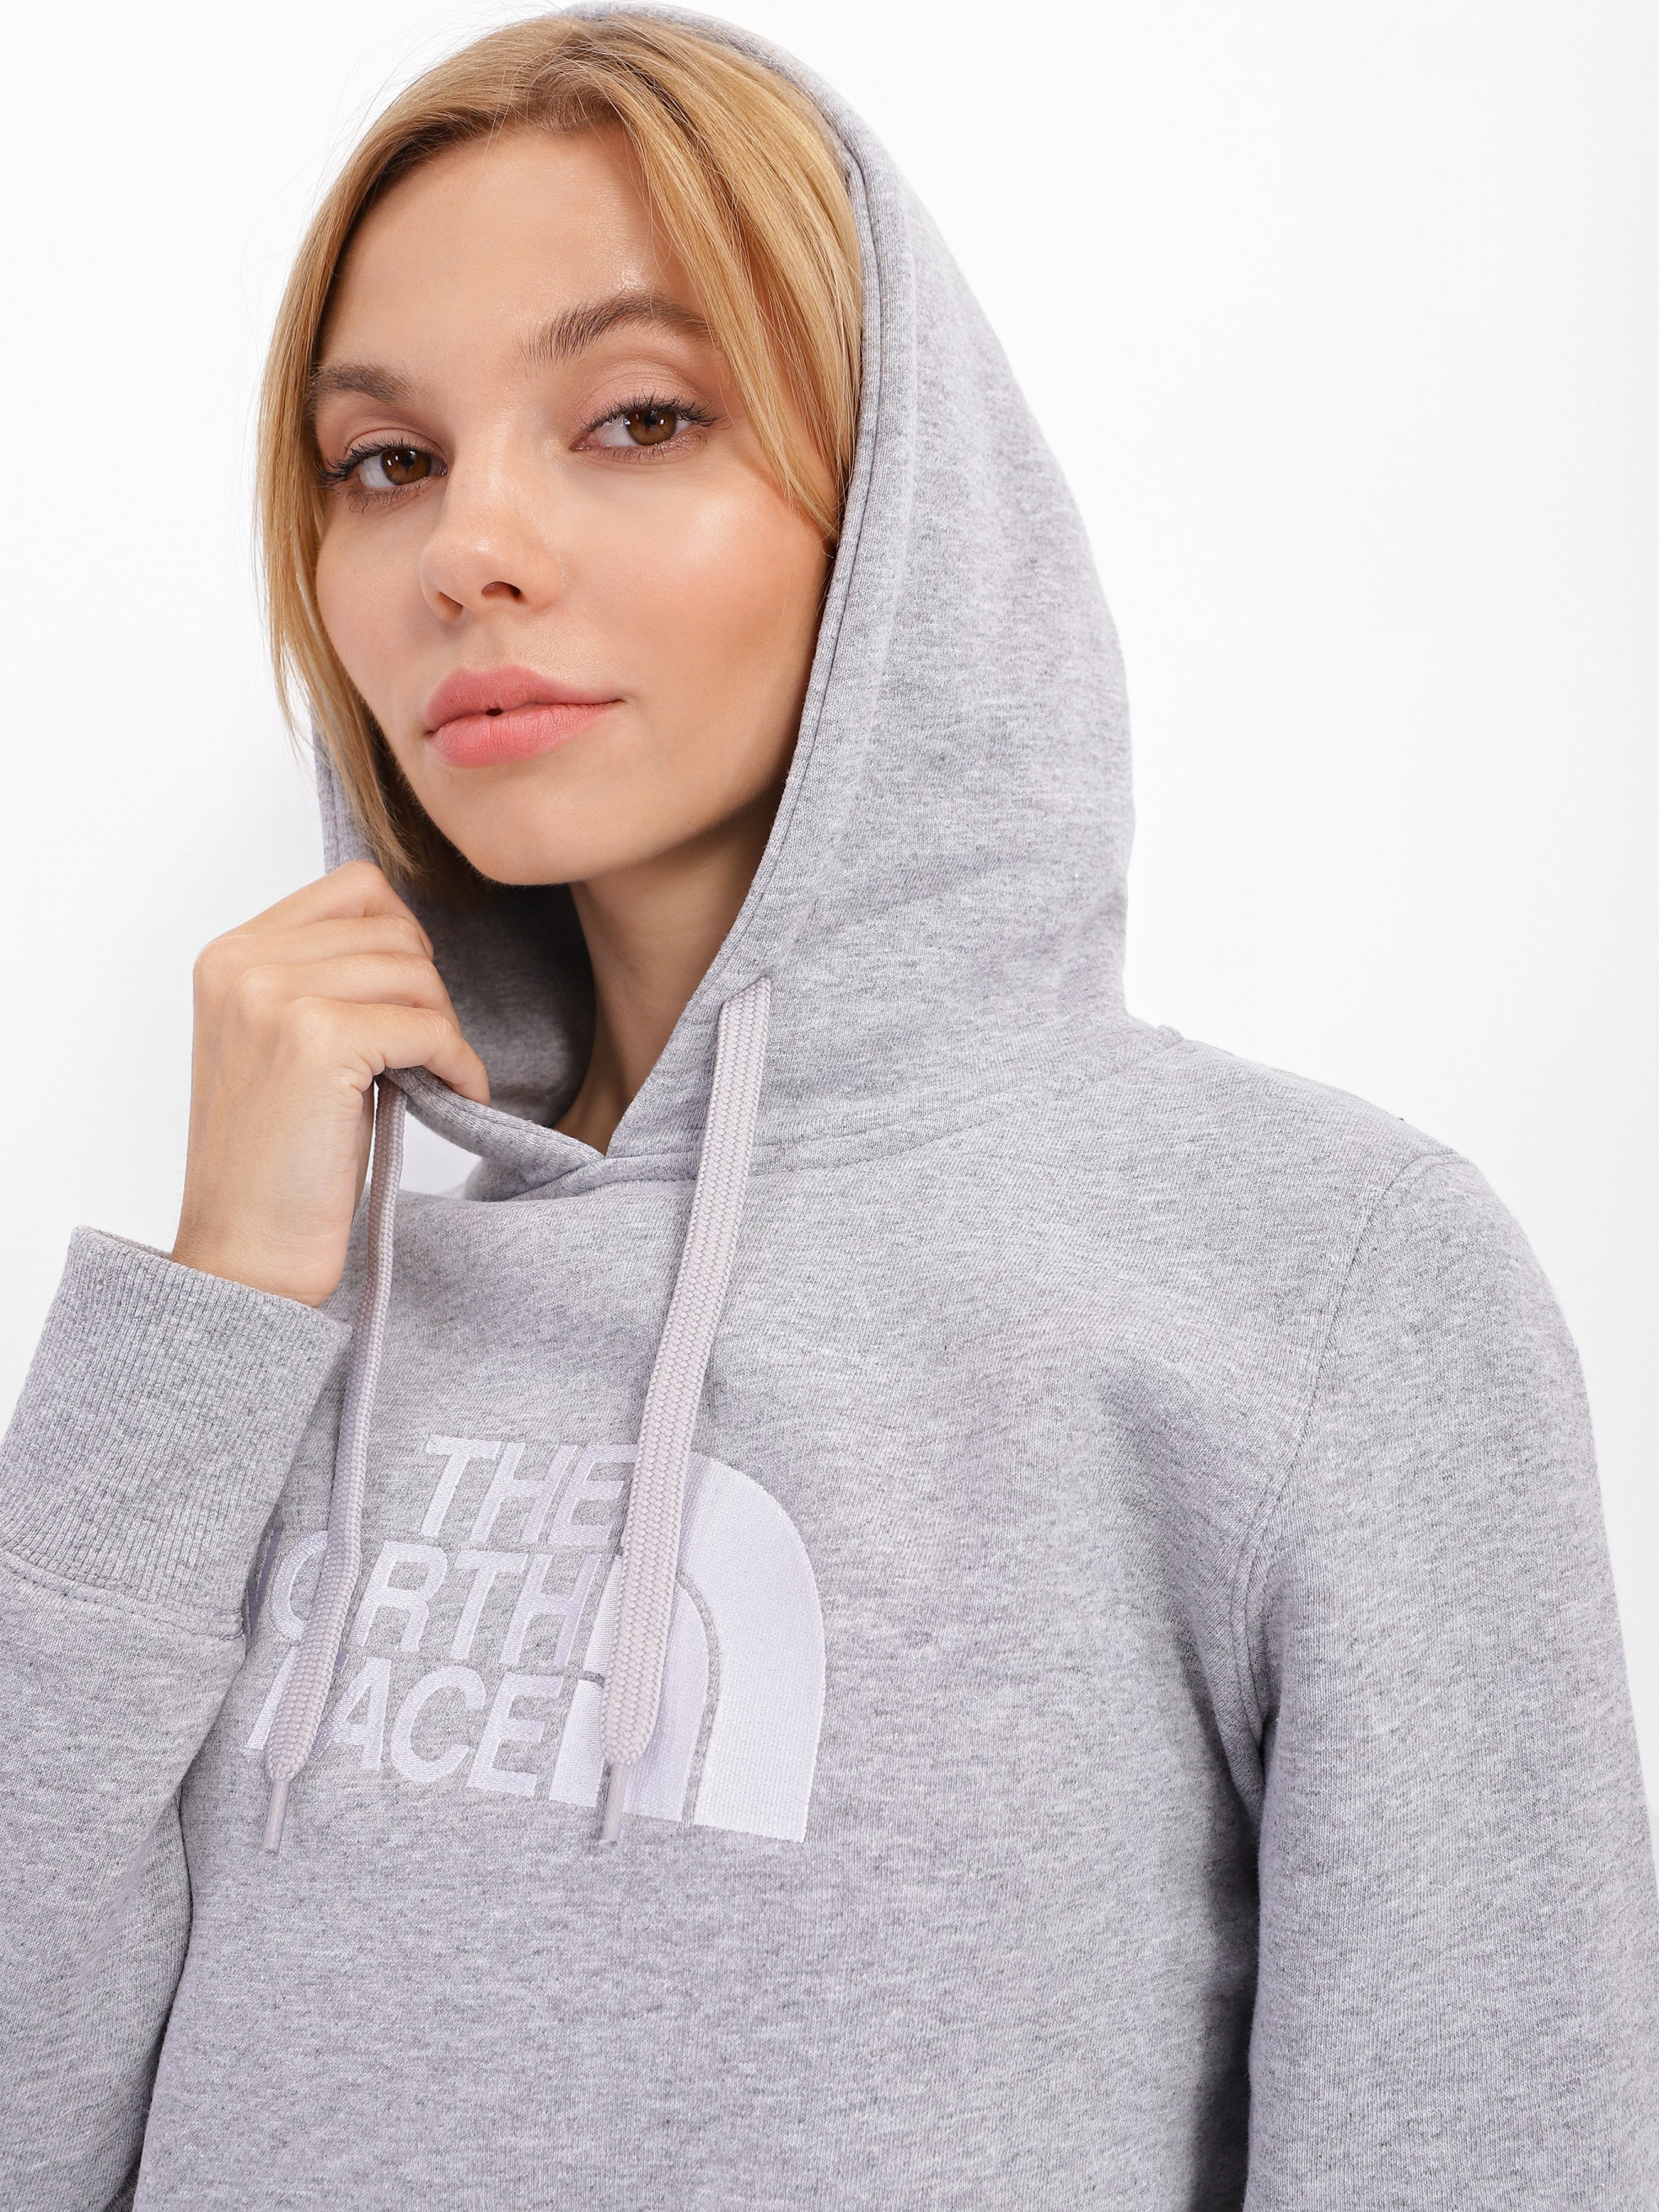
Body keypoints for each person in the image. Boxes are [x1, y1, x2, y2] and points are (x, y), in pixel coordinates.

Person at [1, 10, 1653, 2207]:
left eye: (639, 416)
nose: (467, 547)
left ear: (899, 506)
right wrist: (209, 1315)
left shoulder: (1326, 1283)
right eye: (384, 460)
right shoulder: (298, 1297)